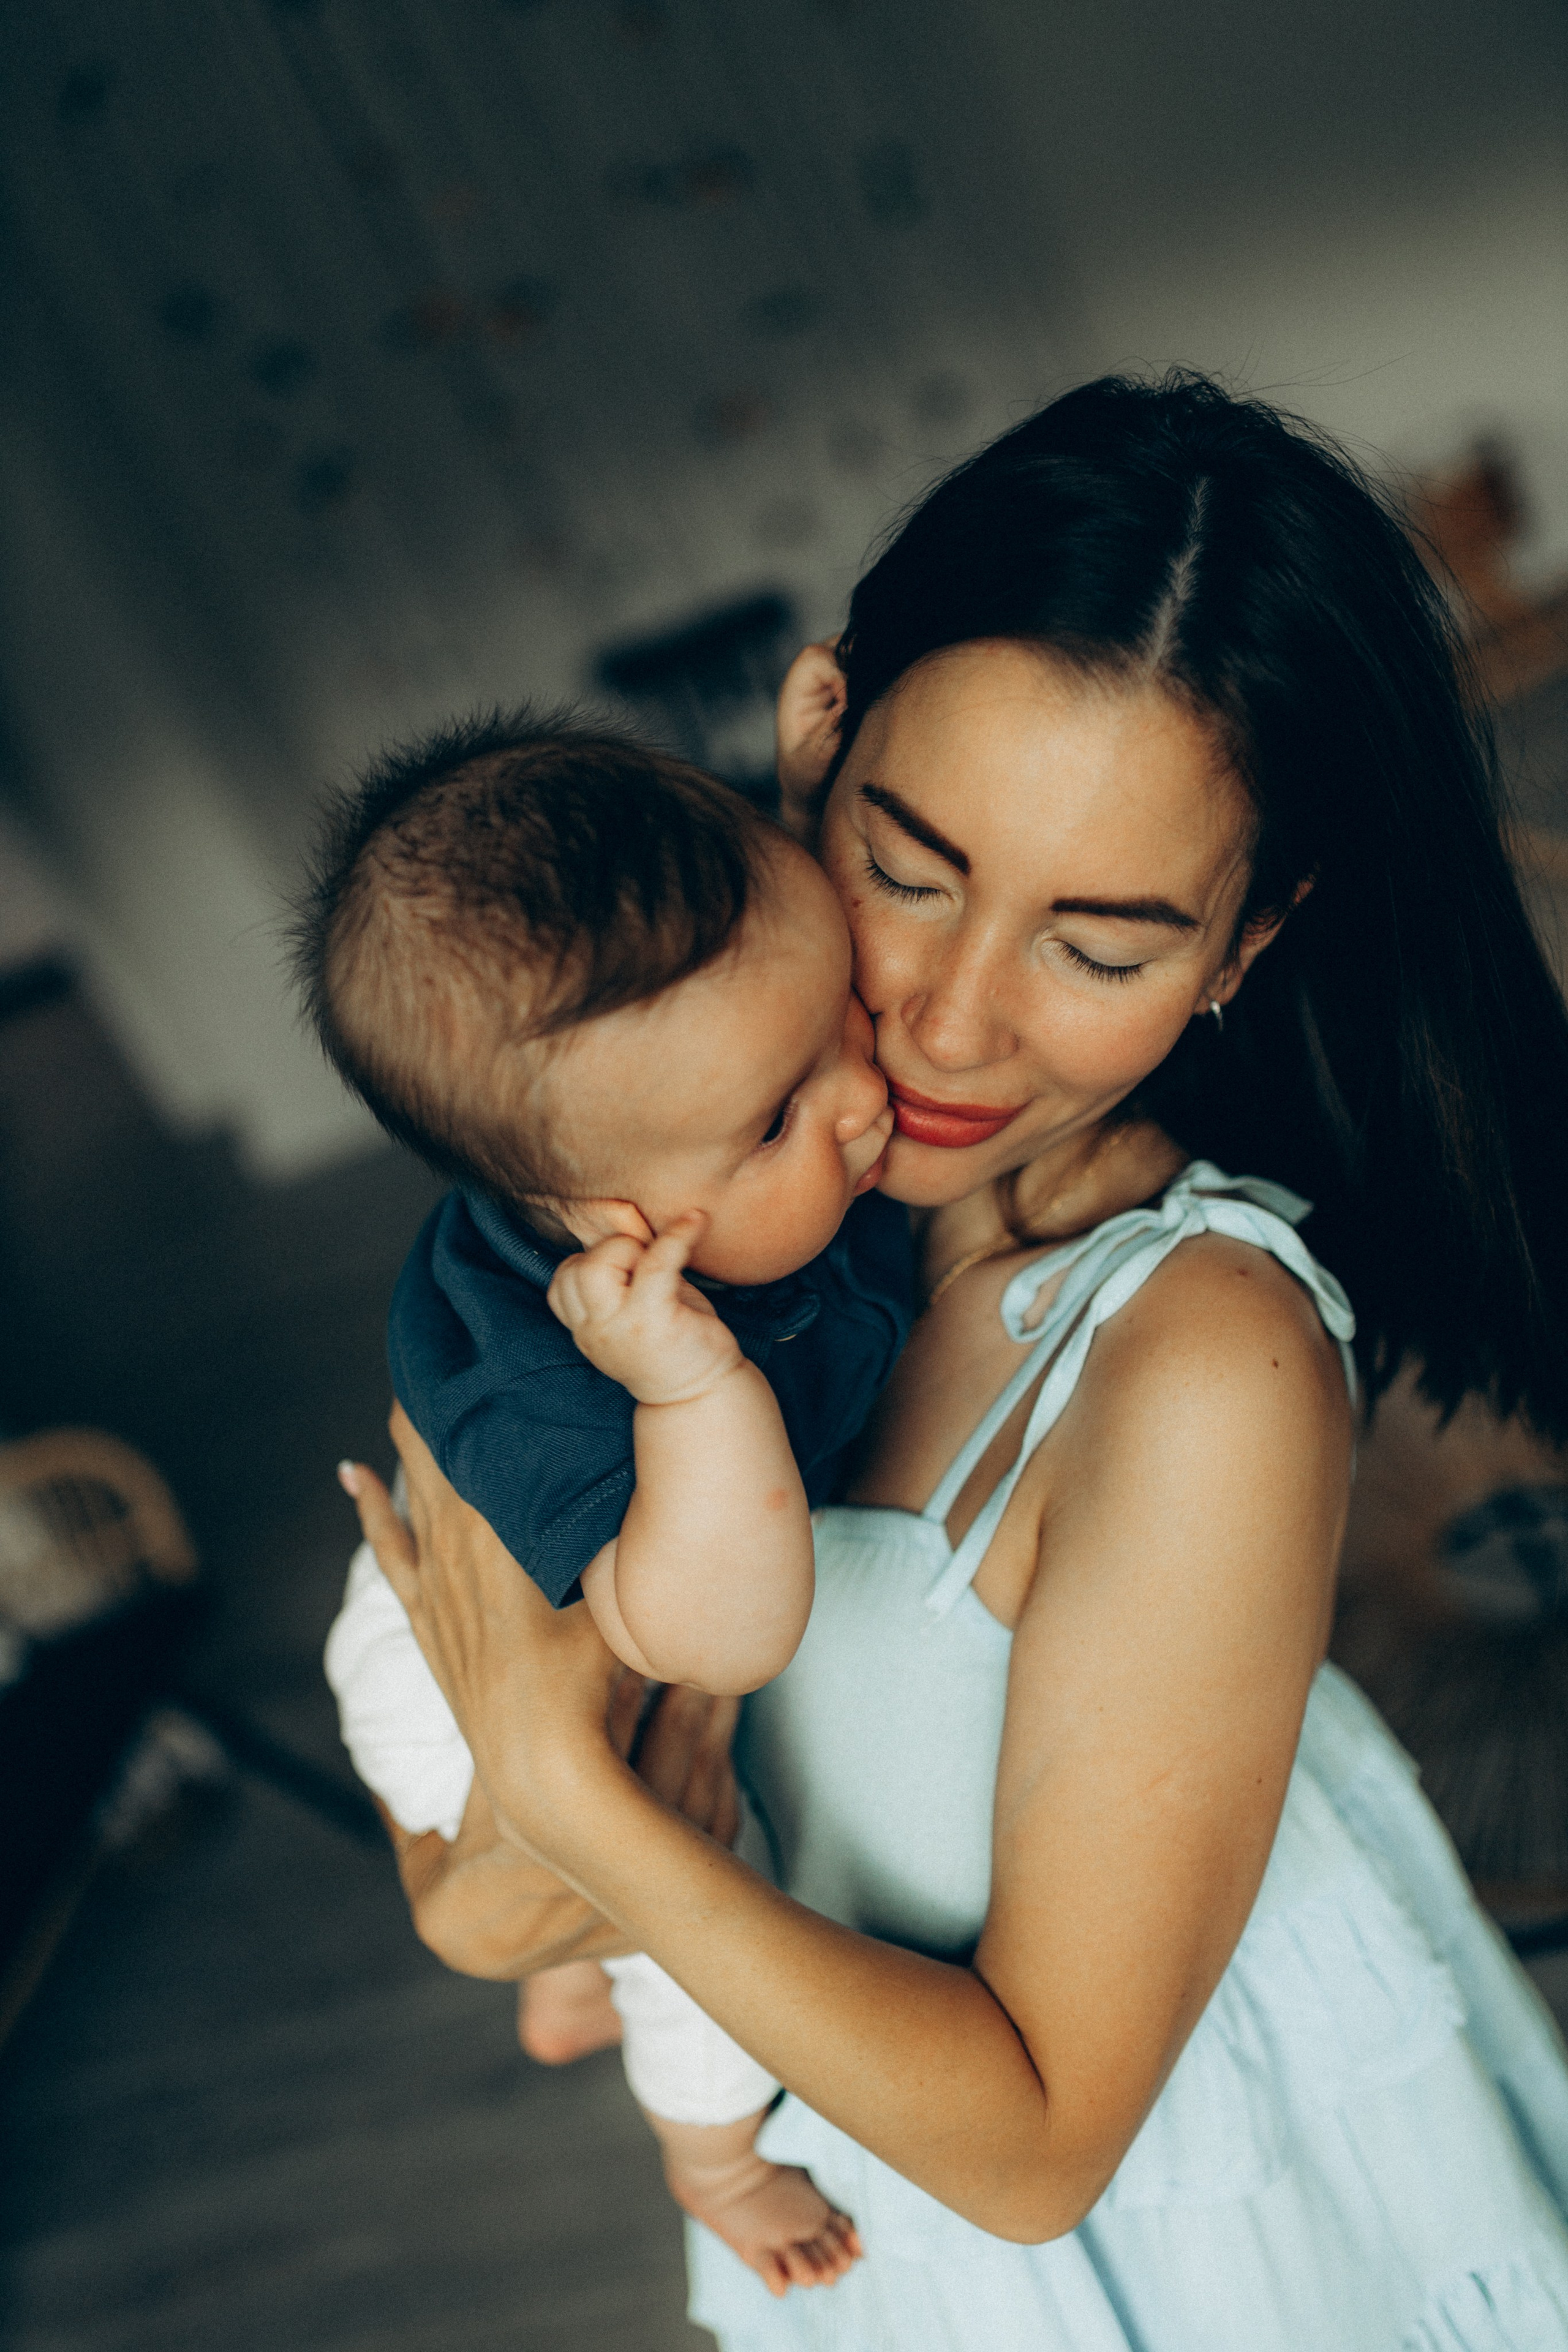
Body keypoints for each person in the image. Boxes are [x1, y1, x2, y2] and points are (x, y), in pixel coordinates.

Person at [341, 372, 1568, 2350]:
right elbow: (461, 1753)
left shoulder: (1197, 1367)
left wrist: (574, 1807)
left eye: (1103, 948)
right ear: (815, 730)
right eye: (909, 866)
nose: (944, 1024)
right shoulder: (706, 1192)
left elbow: (1038, 2145)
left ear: (1244, 947)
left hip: (1187, 2243)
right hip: (850, 2220)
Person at [292, 720, 908, 2293]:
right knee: (705, 1875)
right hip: (450, 1677)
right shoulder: (565, 1367)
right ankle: (712, 2158)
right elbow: (726, 1632)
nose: (859, 1098)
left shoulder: (674, 1120)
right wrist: (696, 1397)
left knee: (622, 1904)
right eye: (777, 1120)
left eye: (838, 1008)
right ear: (608, 1234)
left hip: (560, 1621)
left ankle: (565, 1983)